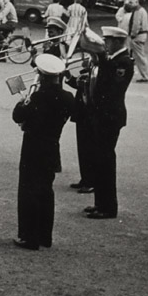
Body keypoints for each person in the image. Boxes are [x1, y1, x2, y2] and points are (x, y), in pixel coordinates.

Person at [11, 54, 75, 250]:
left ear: (42, 75)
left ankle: (28, 236)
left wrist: (24, 100)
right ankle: (44, 236)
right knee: (46, 190)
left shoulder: (37, 96)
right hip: (52, 146)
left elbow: (18, 116)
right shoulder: (67, 97)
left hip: (32, 146)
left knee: (28, 190)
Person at [84, 26, 134, 220]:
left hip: (110, 116)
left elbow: (111, 89)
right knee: (99, 160)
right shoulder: (113, 60)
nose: (105, 44)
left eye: (108, 40)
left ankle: (108, 207)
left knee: (105, 162)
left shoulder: (123, 62)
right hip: (103, 115)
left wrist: (101, 60)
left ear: (117, 41)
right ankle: (100, 202)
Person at [65, 52, 98, 194]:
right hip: (82, 113)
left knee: (89, 149)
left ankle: (91, 181)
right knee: (82, 148)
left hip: (90, 114)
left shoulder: (98, 69)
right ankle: (85, 178)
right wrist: (68, 76)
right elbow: (80, 86)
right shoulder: (91, 67)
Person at [116, 0, 148, 83]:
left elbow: (136, 25)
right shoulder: (142, 10)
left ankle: (145, 75)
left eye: (131, 2)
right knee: (139, 56)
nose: (130, 4)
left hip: (138, 36)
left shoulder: (138, 11)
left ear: (136, 2)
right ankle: (144, 75)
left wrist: (132, 35)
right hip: (141, 35)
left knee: (139, 56)